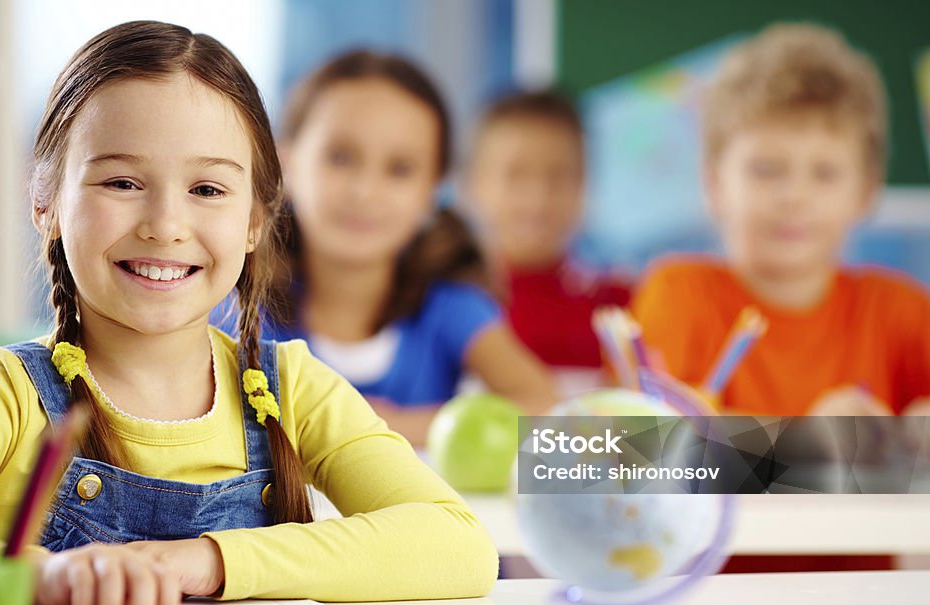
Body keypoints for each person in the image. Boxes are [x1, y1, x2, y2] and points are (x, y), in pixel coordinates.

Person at [0, 21, 497, 605]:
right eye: (122, 182)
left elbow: (458, 544)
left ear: (254, 221)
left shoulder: (291, 387)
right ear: (46, 204)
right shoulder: (3, 392)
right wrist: (51, 577)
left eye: (207, 189)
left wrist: (205, 561)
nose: (166, 224)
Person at [216, 51, 557, 445]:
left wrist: (385, 426)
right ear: (285, 163)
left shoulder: (452, 309)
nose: (365, 191)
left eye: (400, 168)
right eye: (341, 157)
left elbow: (542, 405)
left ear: (432, 191)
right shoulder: (235, 311)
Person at [632, 23, 930, 416]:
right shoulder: (678, 295)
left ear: (865, 192)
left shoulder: (899, 311)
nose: (794, 196)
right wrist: (810, 442)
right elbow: (648, 445)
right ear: (714, 184)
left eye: (825, 173)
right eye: (766, 169)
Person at [462, 90, 631, 369]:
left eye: (559, 175)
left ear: (584, 183)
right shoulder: (439, 304)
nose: (537, 200)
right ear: (472, 185)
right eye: (515, 175)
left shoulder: (620, 310)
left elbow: (662, 413)